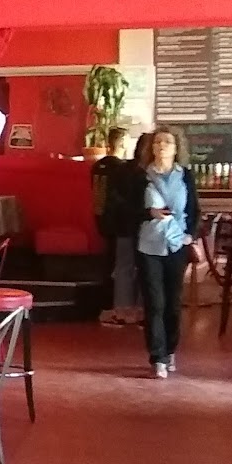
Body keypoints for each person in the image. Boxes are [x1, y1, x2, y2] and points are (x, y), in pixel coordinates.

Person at [137, 126, 199, 378]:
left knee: (172, 302)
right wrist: (148, 212)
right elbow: (127, 209)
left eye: (167, 142)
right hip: (149, 244)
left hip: (177, 244)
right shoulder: (141, 176)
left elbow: (194, 209)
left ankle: (170, 349)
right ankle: (158, 357)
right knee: (154, 302)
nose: (161, 146)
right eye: (157, 142)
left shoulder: (185, 176)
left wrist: (190, 235)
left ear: (176, 149)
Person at [92, 126, 143, 326]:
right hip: (122, 223)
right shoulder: (123, 169)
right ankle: (122, 309)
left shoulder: (97, 166)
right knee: (123, 267)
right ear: (122, 143)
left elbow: (98, 198)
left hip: (104, 220)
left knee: (111, 265)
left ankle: (108, 308)